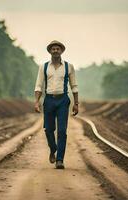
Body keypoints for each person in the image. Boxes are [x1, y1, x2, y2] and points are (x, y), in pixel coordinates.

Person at [34, 40, 79, 169]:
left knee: (62, 131)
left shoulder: (68, 67)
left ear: (61, 51)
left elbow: (74, 86)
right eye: (53, 49)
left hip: (63, 101)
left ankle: (60, 159)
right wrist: (37, 102)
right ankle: (53, 148)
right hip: (48, 100)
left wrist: (76, 103)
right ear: (50, 51)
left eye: (57, 49)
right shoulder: (44, 67)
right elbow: (38, 85)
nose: (55, 51)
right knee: (48, 129)